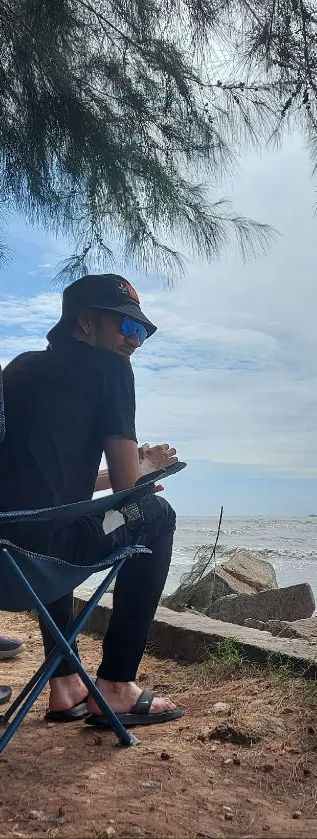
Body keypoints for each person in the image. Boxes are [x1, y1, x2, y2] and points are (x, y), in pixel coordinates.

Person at [0, 274, 183, 728]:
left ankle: (65, 685)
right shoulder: (111, 370)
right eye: (127, 327)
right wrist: (145, 467)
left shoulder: (18, 369)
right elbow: (129, 490)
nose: (134, 342)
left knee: (58, 518)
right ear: (86, 322)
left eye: (141, 333)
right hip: (48, 556)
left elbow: (49, 487)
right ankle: (117, 685)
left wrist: (133, 472)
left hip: (7, 561)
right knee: (156, 514)